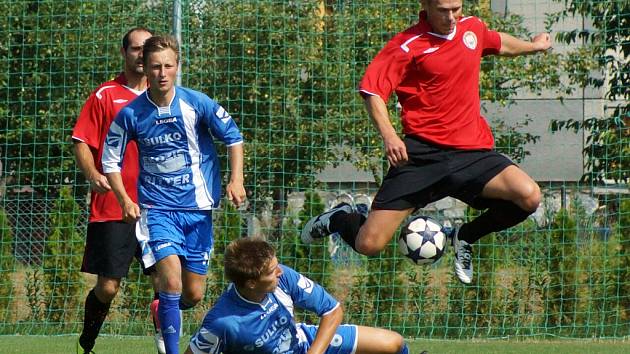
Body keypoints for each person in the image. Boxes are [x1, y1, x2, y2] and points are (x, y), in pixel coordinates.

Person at [301, 0, 551, 285]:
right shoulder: (406, 45)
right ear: (426, 6)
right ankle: (340, 218)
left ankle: (465, 236)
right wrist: (390, 135)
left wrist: (533, 46)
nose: (451, 16)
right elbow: (372, 91)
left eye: (456, 8)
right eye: (443, 10)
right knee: (368, 244)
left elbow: (498, 43)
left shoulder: (472, 28)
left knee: (529, 195)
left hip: (472, 153)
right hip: (421, 158)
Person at [102, 34, 246, 354]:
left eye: (168, 65)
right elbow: (110, 159)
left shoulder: (197, 103)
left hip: (198, 210)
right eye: (155, 67)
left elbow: (234, 138)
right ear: (146, 69)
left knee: (192, 294)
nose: (162, 73)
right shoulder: (131, 114)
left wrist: (237, 179)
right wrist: (125, 199)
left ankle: (162, 311)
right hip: (157, 210)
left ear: (178, 67)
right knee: (171, 282)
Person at [72, 27, 166, 354]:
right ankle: (88, 342)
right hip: (113, 206)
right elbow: (82, 141)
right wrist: (92, 173)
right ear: (124, 53)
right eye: (136, 49)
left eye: (148, 49)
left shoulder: (165, 96)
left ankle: (165, 346)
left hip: (158, 207)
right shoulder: (105, 96)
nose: (142, 55)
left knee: (166, 283)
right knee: (109, 287)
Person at [186, 237, 420, 354]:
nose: (280, 271)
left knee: (393, 343)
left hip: (304, 341)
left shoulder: (284, 277)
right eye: (271, 271)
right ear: (251, 282)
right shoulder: (222, 322)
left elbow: (332, 311)